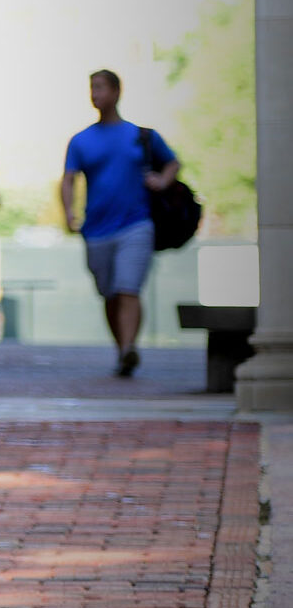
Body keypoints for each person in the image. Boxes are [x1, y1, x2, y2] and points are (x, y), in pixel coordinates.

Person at [59, 69, 180, 378]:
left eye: (100, 88)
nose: (94, 94)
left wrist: (162, 180)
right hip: (97, 229)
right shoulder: (80, 141)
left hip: (136, 224)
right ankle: (121, 348)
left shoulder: (140, 136)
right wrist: (69, 213)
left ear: (116, 92)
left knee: (128, 288)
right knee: (110, 295)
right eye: (91, 88)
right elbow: (69, 179)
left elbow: (172, 162)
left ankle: (129, 348)